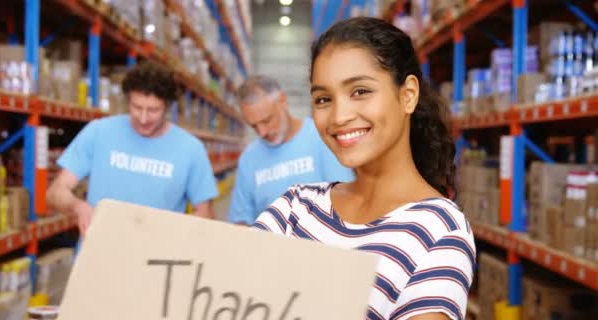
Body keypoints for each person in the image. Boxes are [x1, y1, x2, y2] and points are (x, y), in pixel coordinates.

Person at [253, 17, 475, 320]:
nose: (340, 116)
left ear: (407, 94)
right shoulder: (296, 208)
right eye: (323, 99)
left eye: (360, 91)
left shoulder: (439, 230)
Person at [47, 62, 218, 236]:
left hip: (156, 258)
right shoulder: (98, 132)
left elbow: (205, 212)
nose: (143, 119)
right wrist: (78, 207)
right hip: (100, 254)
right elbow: (55, 192)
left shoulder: (191, 149)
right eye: (137, 108)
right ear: (127, 100)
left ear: (167, 107)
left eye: (153, 110)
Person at [227, 75, 354, 225]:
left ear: (282, 101)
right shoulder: (249, 158)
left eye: (266, 120)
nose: (262, 132)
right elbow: (240, 219)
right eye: (254, 126)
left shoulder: (323, 137)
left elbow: (348, 201)